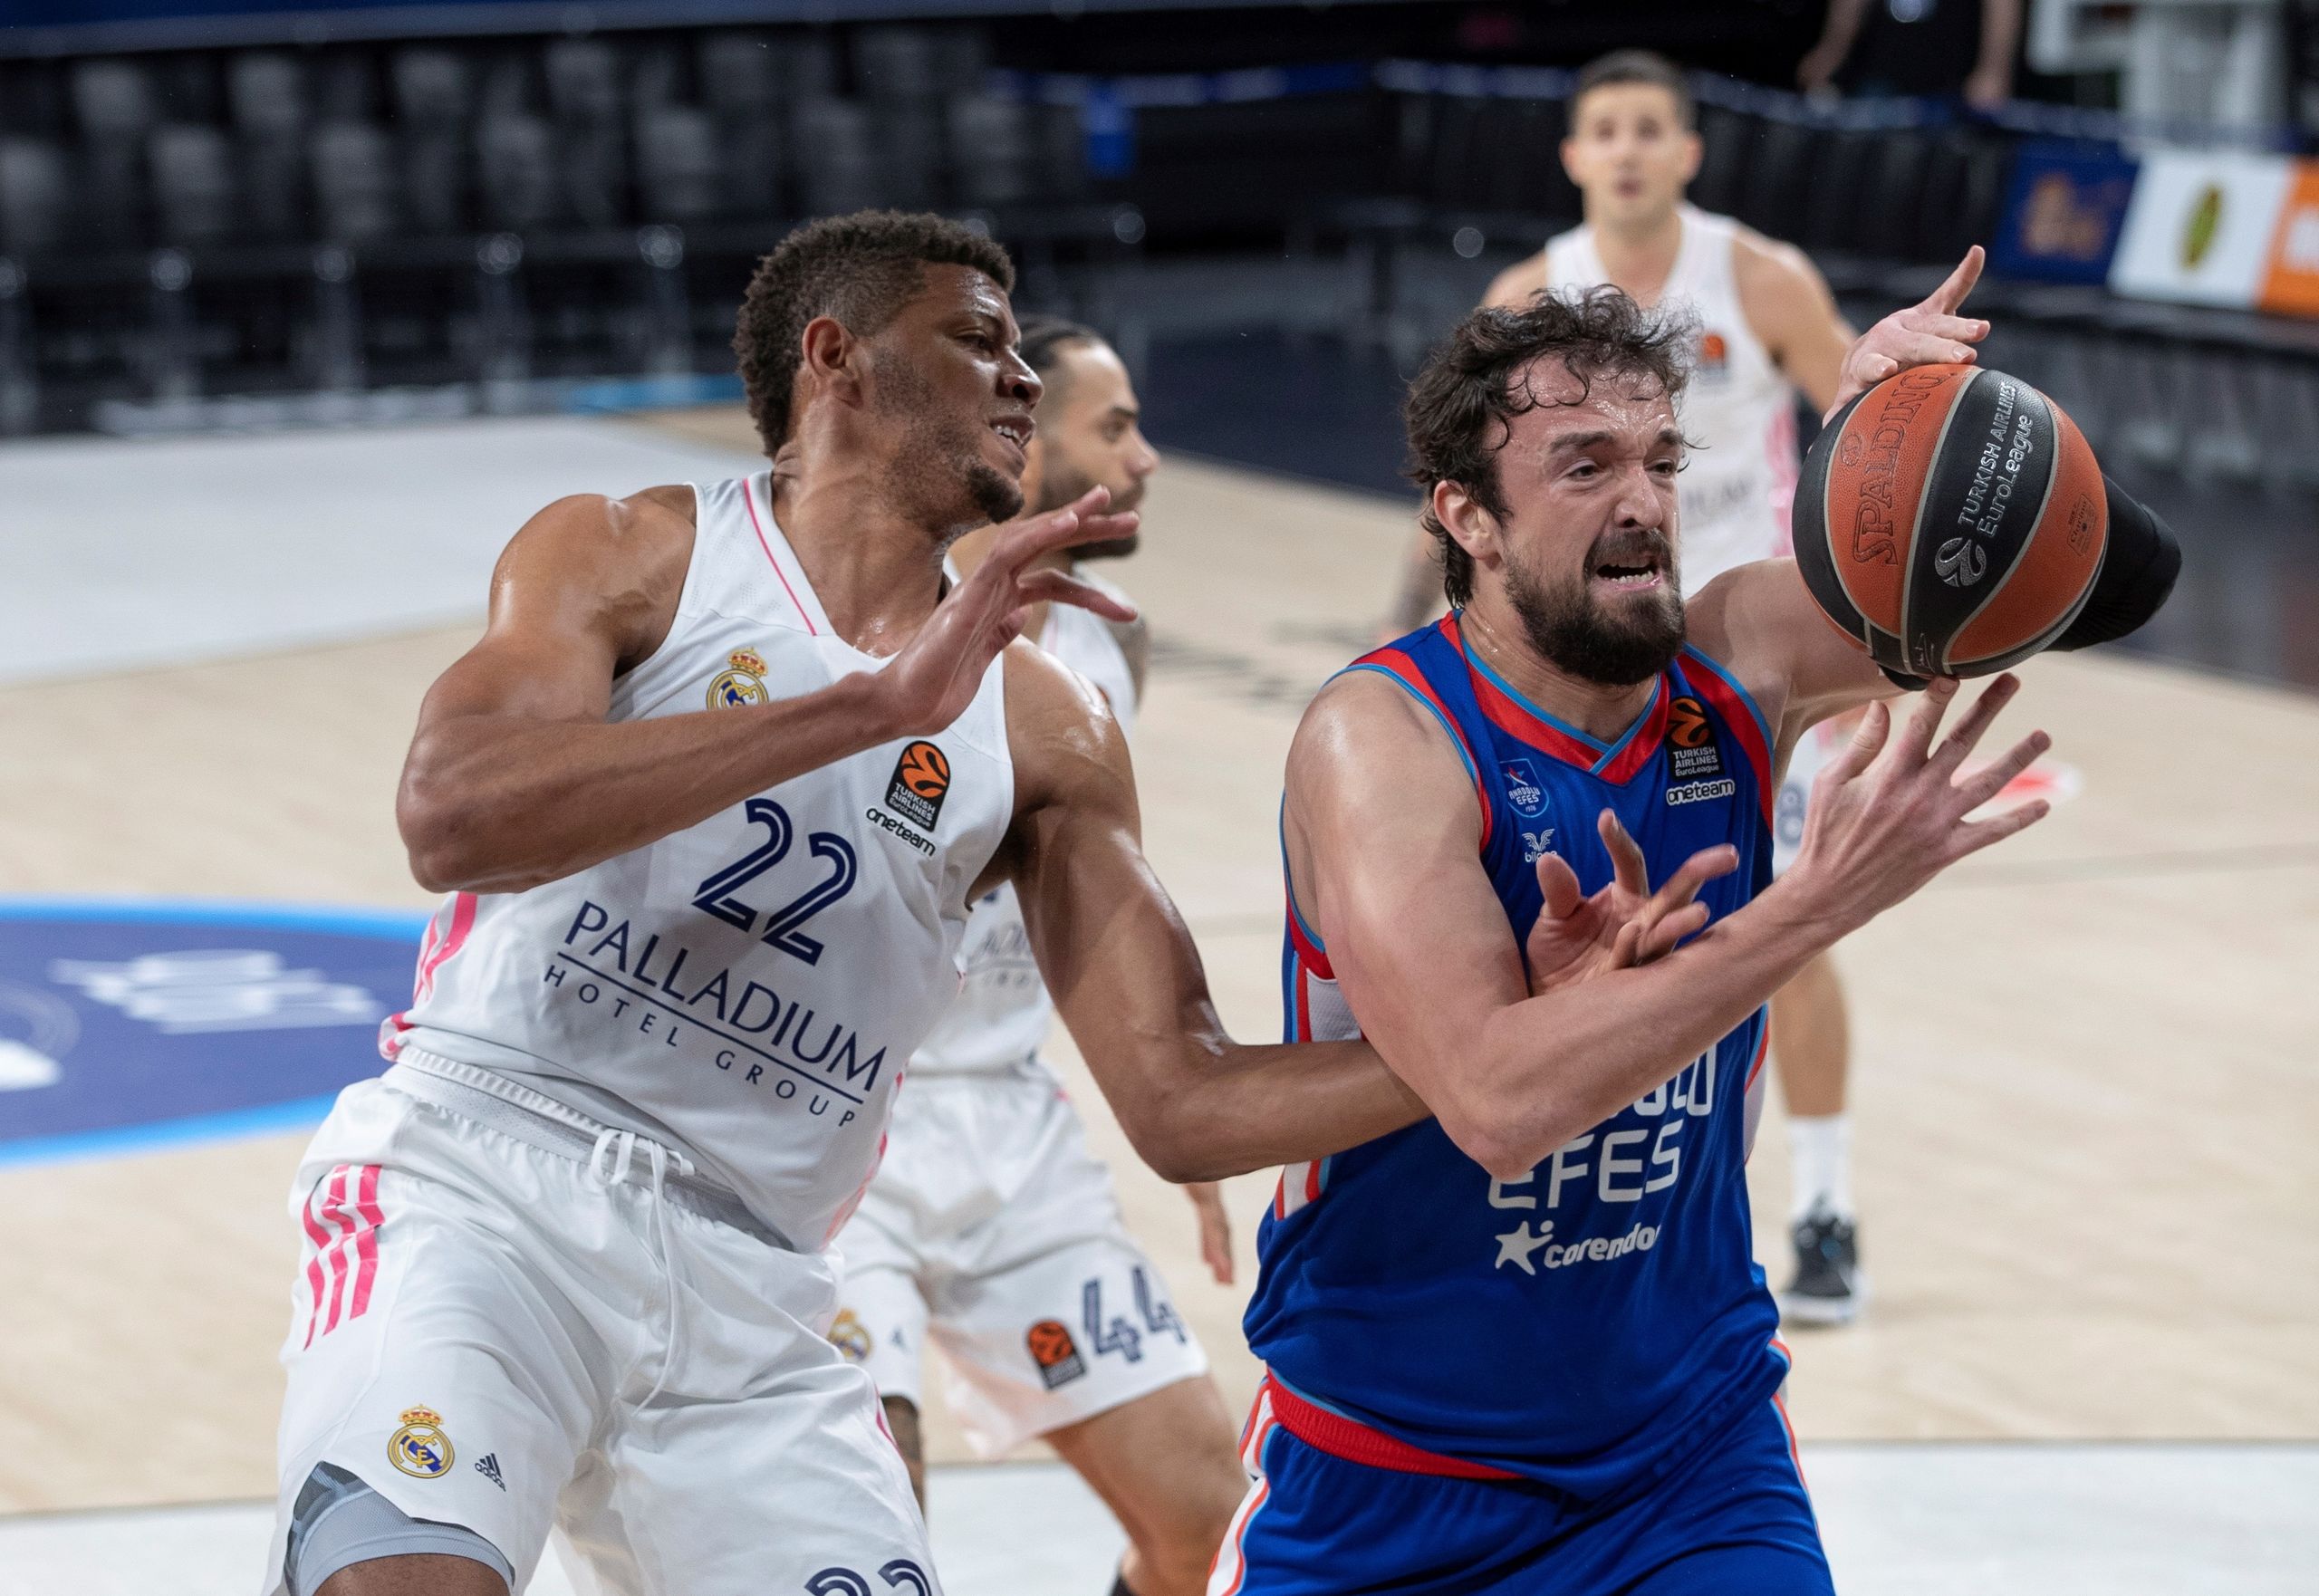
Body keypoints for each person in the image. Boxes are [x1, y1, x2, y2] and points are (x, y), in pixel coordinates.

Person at [260, 210, 1460, 1596]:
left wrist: (1503, 1040)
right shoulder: (635, 550)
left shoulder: (1051, 726)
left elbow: (1181, 1098)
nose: (1022, 376)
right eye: (978, 340)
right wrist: (865, 709)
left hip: (758, 1281)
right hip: (483, 1191)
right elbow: (451, 814)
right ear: (835, 358)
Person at [1211, 266, 2178, 1593]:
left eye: (1662, 461)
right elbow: (1498, 1100)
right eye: (1585, 465)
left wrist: (1896, 452)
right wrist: (1819, 901)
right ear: (1467, 517)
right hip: (1388, 1474)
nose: (1644, 502)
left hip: (1689, 1460)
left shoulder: (1737, 658)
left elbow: (2109, 579)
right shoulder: (1385, 740)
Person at [1390, 49, 1874, 1322]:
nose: (1626, 149)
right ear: (1572, 155)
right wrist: (1408, 624)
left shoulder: (1757, 276)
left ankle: (1822, 1205)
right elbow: (1460, 485)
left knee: (1779, 929)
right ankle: (1582, 1198)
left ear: (1687, 152)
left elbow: (1863, 433)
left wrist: (1856, 623)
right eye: (1603, 128)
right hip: (1575, 662)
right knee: (1580, 929)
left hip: (1738, 663)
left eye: (1649, 128)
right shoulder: (1526, 294)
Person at [828, 316, 1249, 1596]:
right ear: (1020, 441)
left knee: (1209, 1524)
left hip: (1011, 1129)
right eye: (1113, 428)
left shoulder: (1111, 640)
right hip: (840, 1126)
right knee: (867, 1527)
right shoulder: (860, 621)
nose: (1146, 457)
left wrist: (1178, 1091)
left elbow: (1100, 898)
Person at [1797, 0, 2022, 110]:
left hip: (1949, 79)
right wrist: (1832, 51)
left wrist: (1994, 70)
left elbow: (2002, 5)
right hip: (1879, 70)